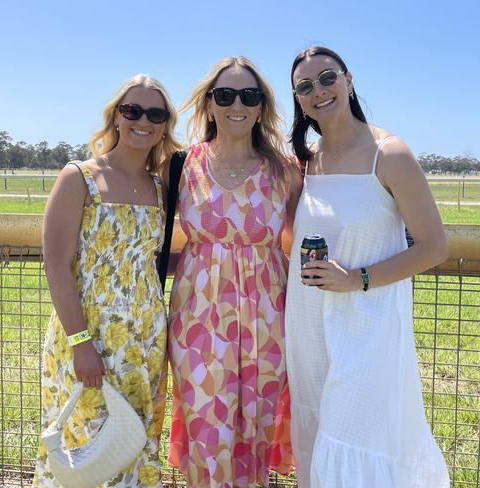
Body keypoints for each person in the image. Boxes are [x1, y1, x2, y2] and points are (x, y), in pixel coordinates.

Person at [285, 46, 450, 487]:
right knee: (317, 435)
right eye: (305, 86)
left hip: (368, 329)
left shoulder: (389, 154)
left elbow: (435, 247)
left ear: (348, 79)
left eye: (327, 78)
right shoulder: (307, 161)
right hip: (309, 329)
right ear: (298, 100)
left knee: (358, 440)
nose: (318, 90)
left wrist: (356, 279)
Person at [33, 74, 181, 488]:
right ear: (116, 116)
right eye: (132, 110)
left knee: (131, 443)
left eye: (156, 113)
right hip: (88, 336)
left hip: (145, 340)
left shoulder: (161, 187)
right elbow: (57, 265)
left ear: (165, 124)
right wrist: (81, 344)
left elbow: (143, 261)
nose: (143, 121)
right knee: (86, 449)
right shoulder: (79, 177)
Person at [166, 56, 300, 487]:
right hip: (198, 323)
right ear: (209, 104)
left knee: (256, 435)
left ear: (262, 106)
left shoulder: (286, 172)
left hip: (267, 323)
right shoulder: (180, 168)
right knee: (209, 436)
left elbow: (297, 244)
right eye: (225, 95)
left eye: (249, 95)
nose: (237, 104)